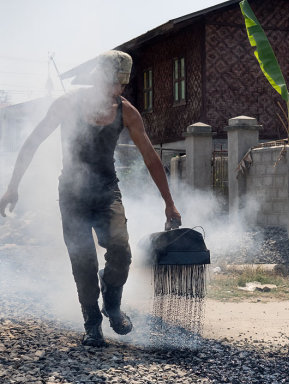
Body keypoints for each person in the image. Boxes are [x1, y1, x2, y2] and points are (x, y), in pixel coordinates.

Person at [0, 50, 181, 347]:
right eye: (113, 83)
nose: (118, 90)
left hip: (107, 191)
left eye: (122, 84)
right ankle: (92, 324)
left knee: (121, 252)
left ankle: (111, 302)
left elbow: (150, 158)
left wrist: (169, 202)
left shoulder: (127, 112)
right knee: (82, 261)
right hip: (71, 194)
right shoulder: (67, 104)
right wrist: (13, 187)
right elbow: (32, 142)